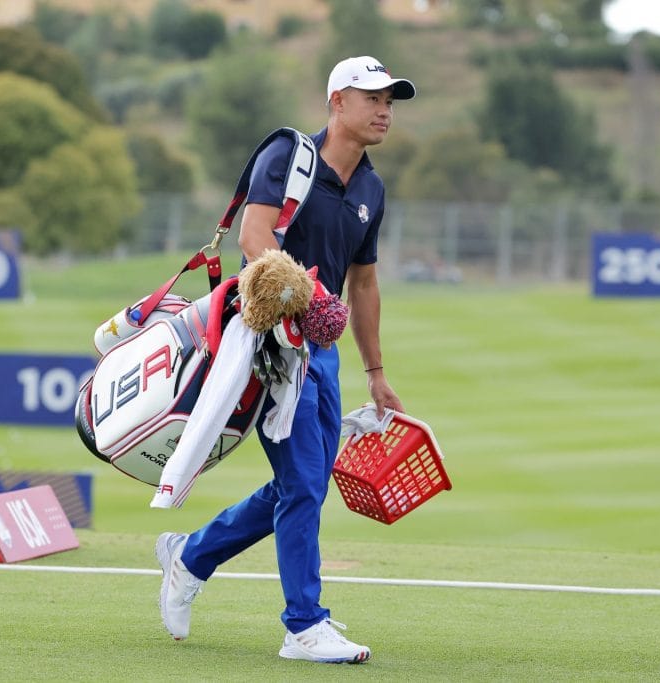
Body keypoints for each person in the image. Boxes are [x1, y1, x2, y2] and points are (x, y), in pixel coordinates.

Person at [156, 55, 415, 664]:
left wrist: (376, 373)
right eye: (372, 97)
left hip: (321, 354)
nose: (384, 110)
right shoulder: (290, 157)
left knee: (302, 485)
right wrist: (312, 296)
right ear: (337, 102)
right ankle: (304, 624)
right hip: (268, 347)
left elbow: (367, 283)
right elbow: (255, 238)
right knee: (302, 484)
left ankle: (190, 556)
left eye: (390, 101)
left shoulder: (371, 189)